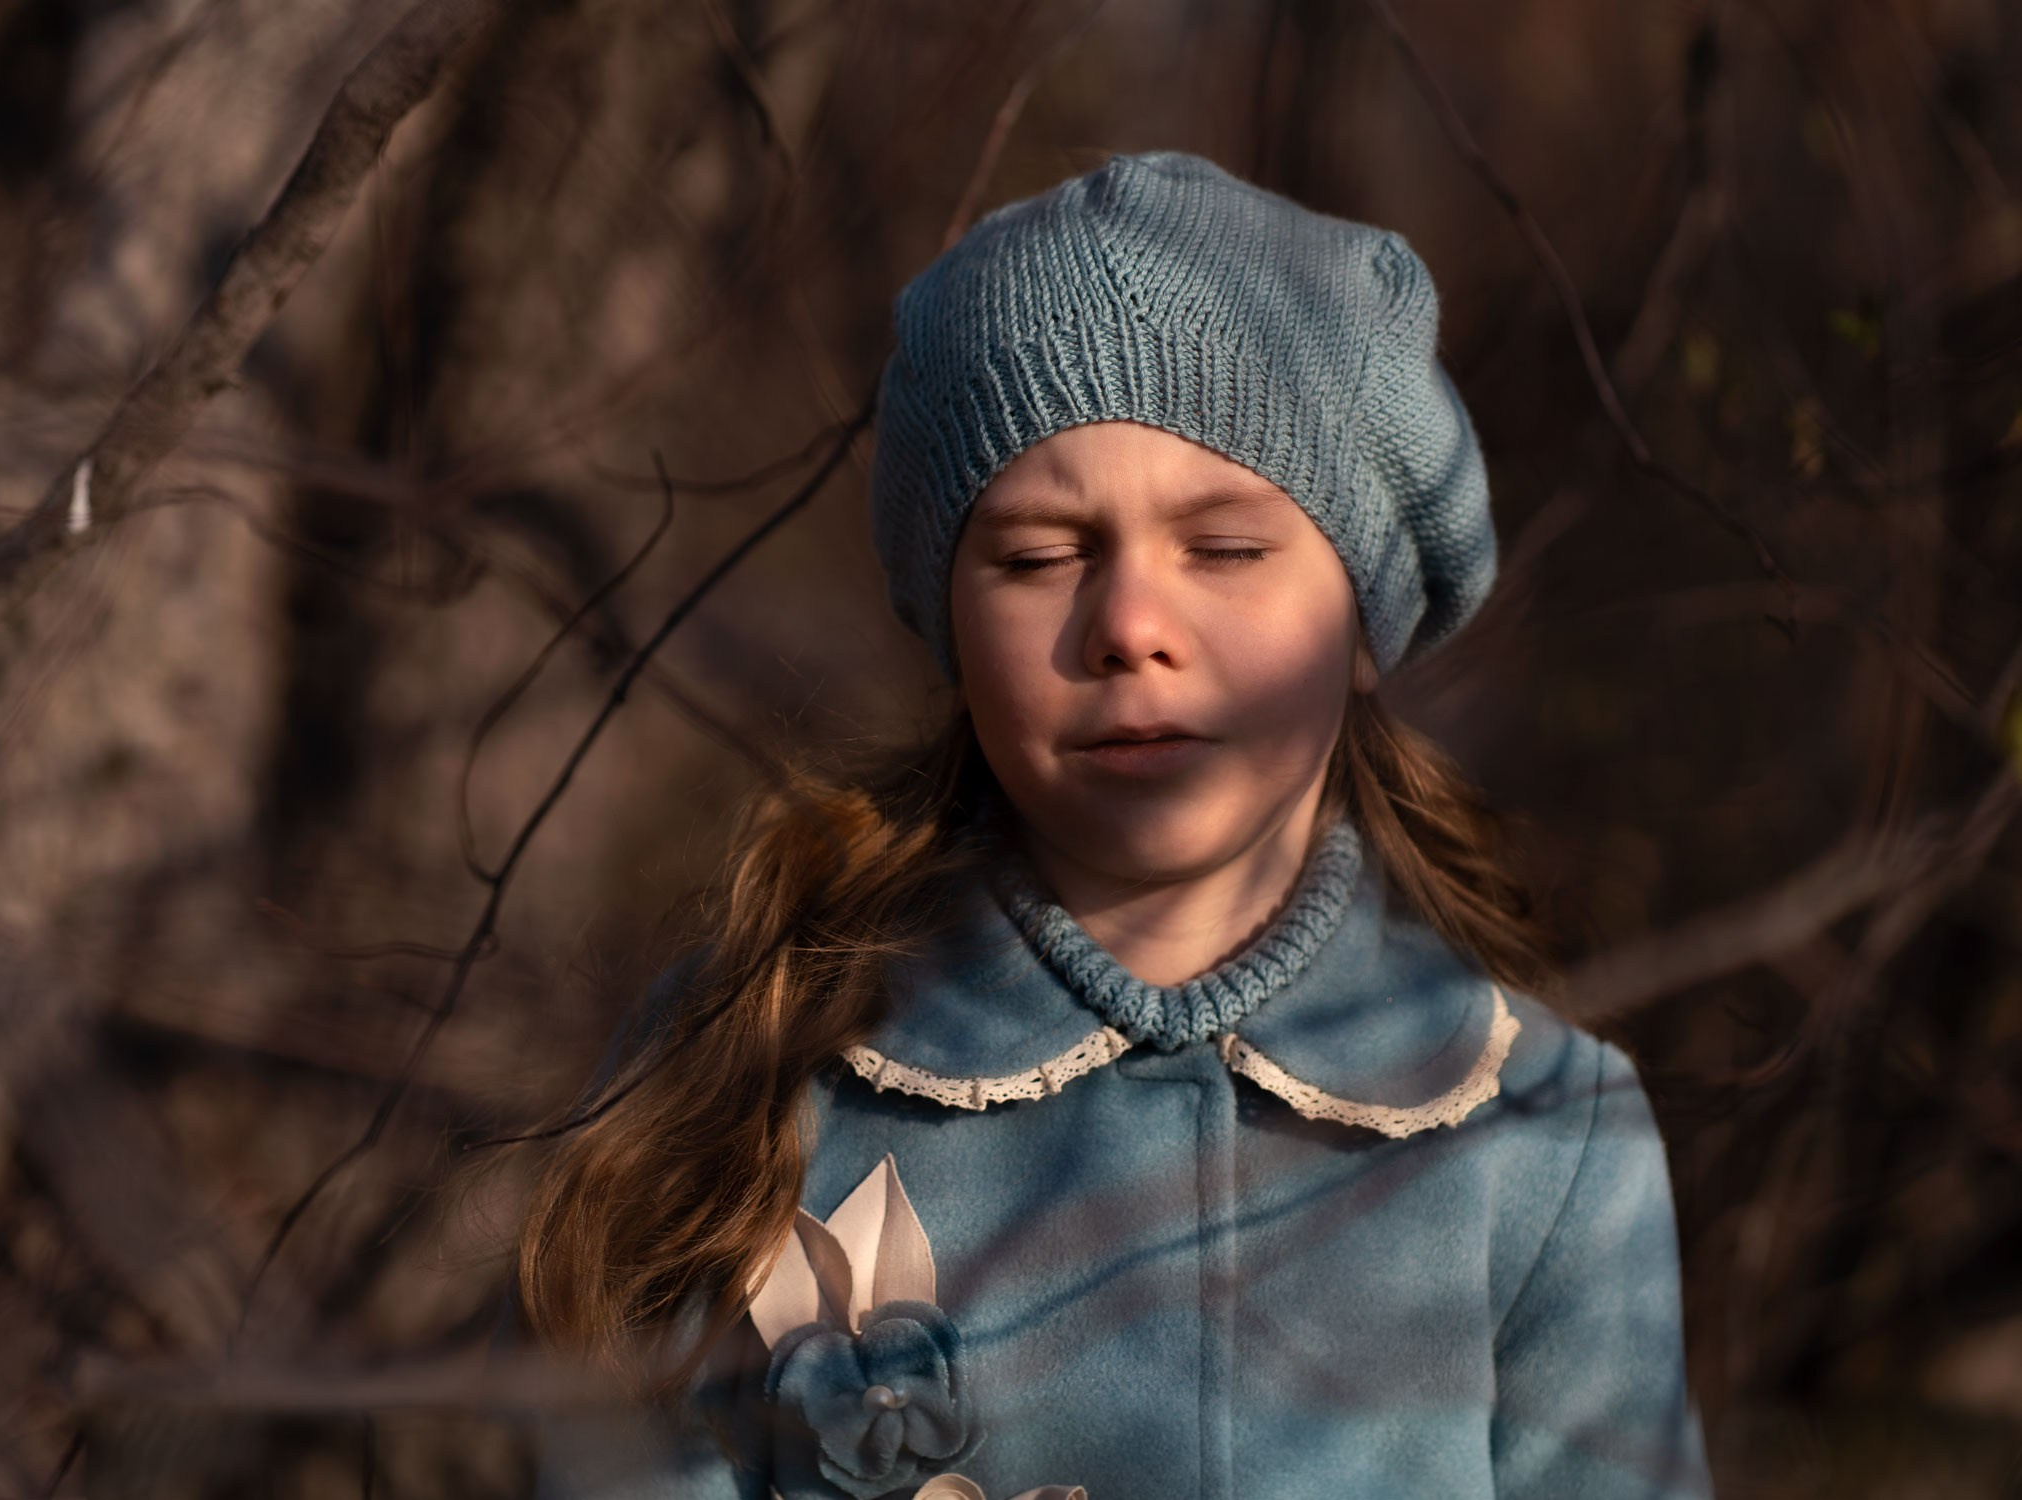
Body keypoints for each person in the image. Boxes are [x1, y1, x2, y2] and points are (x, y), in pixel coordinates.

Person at [514, 150, 1714, 1499]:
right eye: (1037, 557)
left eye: (1225, 548)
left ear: (1363, 619)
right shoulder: (750, 1064)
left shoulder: (1538, 1133)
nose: (1130, 626)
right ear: (952, 624)